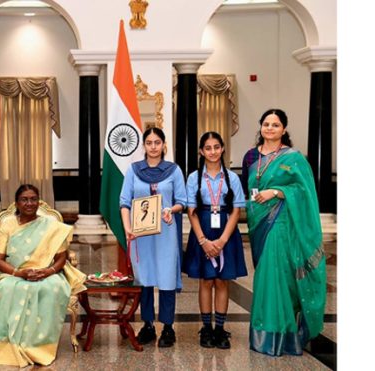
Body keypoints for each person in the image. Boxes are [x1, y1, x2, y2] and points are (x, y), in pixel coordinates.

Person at [241, 109, 326, 356]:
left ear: (284, 129)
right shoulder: (250, 156)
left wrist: (277, 192)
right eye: (266, 124)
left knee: (277, 276)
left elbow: (305, 191)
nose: (270, 128)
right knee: (264, 277)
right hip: (258, 222)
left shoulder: (295, 158)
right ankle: (263, 333)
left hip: (282, 224)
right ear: (261, 127)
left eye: (275, 125)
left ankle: (281, 336)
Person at [0, 184, 86, 367]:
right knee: (9, 288)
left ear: (38, 202)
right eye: (24, 199)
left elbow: (61, 257)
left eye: (33, 199)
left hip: (47, 272)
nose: (29, 203)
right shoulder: (8, 224)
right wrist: (18, 272)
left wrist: (49, 271)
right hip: (13, 272)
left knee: (52, 287)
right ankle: (8, 345)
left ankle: (39, 345)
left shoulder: (52, 226)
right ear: (17, 203)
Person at [119, 127, 187, 348]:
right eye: (149, 142)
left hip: (166, 232)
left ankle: (168, 327)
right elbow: (124, 202)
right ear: (144, 146)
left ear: (163, 144)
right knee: (144, 279)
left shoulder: (174, 170)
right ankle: (147, 325)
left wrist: (172, 210)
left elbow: (182, 200)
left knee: (166, 278)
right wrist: (128, 228)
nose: (153, 146)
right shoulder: (133, 170)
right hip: (141, 236)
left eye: (157, 142)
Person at [182, 131, 247, 349]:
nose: (213, 152)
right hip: (203, 229)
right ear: (201, 151)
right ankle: (206, 329)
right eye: (208, 148)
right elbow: (191, 210)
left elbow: (237, 210)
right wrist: (203, 241)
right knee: (206, 280)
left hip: (226, 232)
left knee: (222, 280)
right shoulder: (194, 178)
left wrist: (221, 241)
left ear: (222, 149)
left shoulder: (232, 178)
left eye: (217, 147)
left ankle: (220, 329)